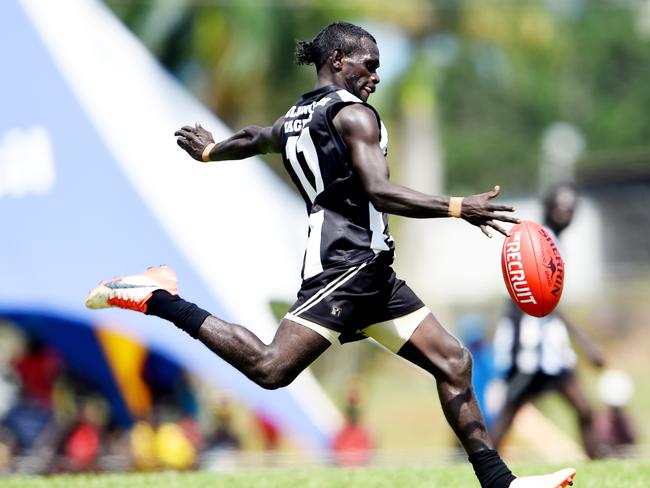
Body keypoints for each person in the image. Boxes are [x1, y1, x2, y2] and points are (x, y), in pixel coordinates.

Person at [86, 22, 576, 487]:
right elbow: (379, 192)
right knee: (271, 368)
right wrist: (456, 206)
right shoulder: (355, 114)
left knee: (454, 361)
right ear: (339, 61)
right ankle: (161, 298)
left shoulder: (299, 114)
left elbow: (256, 138)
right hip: (347, 267)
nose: (377, 76)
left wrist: (214, 151)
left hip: (373, 272)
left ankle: (500, 482)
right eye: (370, 64)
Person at [490, 182, 604, 459]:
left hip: (552, 351)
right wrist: (585, 341)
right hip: (530, 348)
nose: (567, 212)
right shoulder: (540, 242)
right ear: (549, 207)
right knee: (509, 412)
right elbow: (543, 298)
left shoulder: (556, 241)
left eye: (571, 207)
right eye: (561, 206)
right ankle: (484, 466)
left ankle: (601, 466)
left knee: (584, 410)